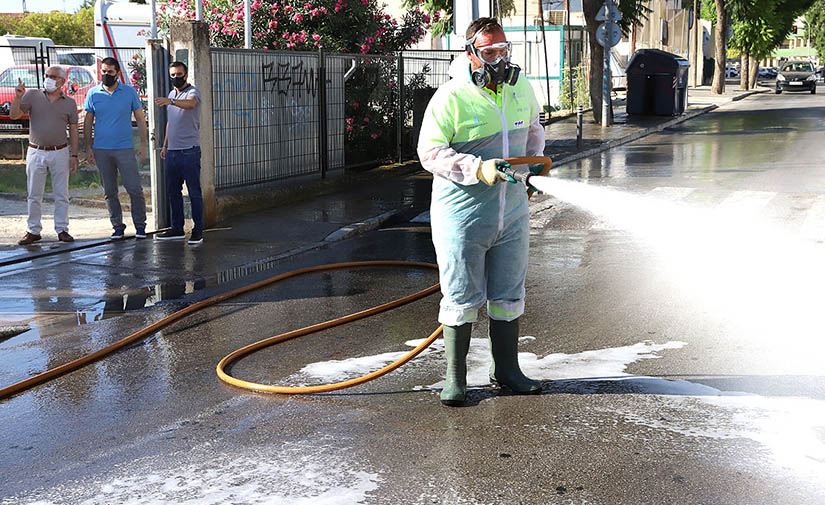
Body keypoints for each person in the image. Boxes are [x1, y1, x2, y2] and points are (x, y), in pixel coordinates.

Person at [417, 17, 546, 406]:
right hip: (464, 215)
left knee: (508, 292)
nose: (499, 59)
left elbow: (535, 128)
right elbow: (430, 153)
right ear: (471, 53)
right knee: (460, 294)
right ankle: (455, 378)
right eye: (490, 52)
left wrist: (535, 162)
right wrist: (477, 168)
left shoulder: (519, 87)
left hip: (512, 214)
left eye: (504, 50)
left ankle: (506, 369)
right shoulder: (451, 97)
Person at [11, 66, 80, 246]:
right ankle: (33, 230)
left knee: (61, 193)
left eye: (53, 76)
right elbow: (14, 115)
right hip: (36, 150)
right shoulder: (33, 95)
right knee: (34, 193)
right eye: (47, 75)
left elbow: (73, 130)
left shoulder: (69, 103)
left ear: (62, 81)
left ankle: (62, 229)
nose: (48, 79)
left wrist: (74, 154)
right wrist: (18, 97)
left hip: (60, 151)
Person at [83, 57, 148, 240]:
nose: (106, 75)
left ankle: (140, 226)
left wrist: (142, 144)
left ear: (117, 73)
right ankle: (117, 226)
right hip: (102, 150)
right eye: (103, 72)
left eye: (110, 72)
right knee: (109, 191)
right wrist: (88, 147)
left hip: (125, 149)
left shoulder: (129, 92)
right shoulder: (93, 94)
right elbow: (88, 122)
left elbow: (140, 119)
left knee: (134, 189)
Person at [154, 61, 204, 244]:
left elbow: (191, 104)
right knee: (173, 191)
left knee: (194, 192)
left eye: (179, 74)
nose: (176, 77)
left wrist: (172, 101)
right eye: (173, 75)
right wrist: (165, 145)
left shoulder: (192, 92)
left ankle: (198, 230)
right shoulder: (171, 94)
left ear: (186, 74)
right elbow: (171, 122)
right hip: (173, 152)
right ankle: (177, 229)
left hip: (189, 150)